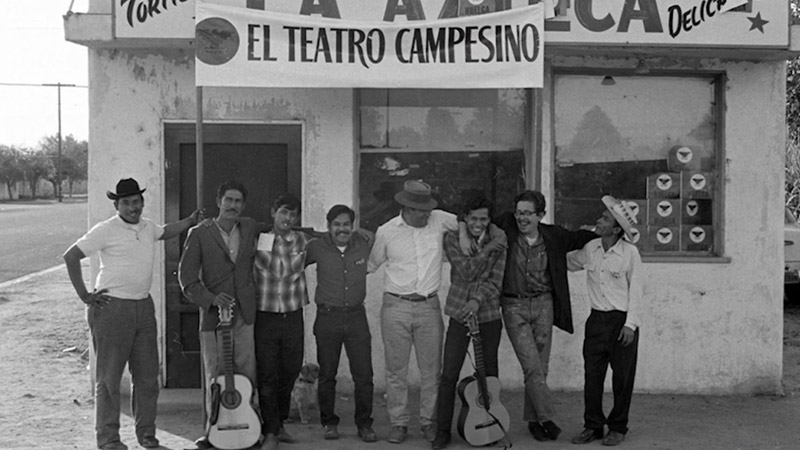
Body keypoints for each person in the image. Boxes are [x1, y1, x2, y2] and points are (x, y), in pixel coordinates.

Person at [63, 178, 201, 450]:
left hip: (143, 307)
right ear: (117, 205)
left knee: (148, 378)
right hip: (112, 308)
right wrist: (85, 296)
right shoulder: (105, 230)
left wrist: (190, 221)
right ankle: (108, 439)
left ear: (142, 202)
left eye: (136, 202)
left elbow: (165, 231)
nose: (132, 207)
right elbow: (71, 256)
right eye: (125, 203)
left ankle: (146, 434)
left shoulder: (148, 227)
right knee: (109, 379)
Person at [494, 190, 595, 442]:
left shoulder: (553, 236)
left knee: (540, 367)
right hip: (513, 305)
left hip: (544, 305)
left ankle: (534, 421)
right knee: (531, 366)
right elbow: (476, 218)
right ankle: (547, 417)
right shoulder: (506, 226)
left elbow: (582, 237)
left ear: (541, 215)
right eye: (519, 212)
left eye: (528, 213)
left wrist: (613, 235)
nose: (521, 218)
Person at [368, 179, 460, 444]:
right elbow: (372, 264)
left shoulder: (440, 220)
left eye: (428, 209)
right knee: (396, 371)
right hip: (395, 306)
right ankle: (398, 423)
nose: (426, 214)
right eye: (421, 211)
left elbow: (468, 224)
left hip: (429, 307)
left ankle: (429, 423)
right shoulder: (386, 231)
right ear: (406, 208)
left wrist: (463, 238)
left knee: (432, 371)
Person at [178, 180, 261, 450]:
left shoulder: (248, 228)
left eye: (238, 201)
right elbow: (187, 279)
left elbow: (287, 229)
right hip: (214, 318)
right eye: (228, 200)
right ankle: (211, 432)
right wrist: (211, 300)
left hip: (244, 314)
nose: (233, 206)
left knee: (247, 373)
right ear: (218, 201)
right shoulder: (199, 233)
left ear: (243, 206)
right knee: (215, 375)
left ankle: (252, 429)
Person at [432, 194, 507, 450]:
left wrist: (476, 299)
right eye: (473, 218)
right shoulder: (453, 238)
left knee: (489, 375)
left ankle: (490, 423)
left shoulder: (500, 240)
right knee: (449, 375)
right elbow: (464, 271)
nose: (478, 223)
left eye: (483, 219)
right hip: (458, 314)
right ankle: (442, 431)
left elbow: (495, 280)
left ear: (489, 220)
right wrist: (486, 251)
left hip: (488, 316)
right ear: (465, 219)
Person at [567, 196, 643, 447]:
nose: (599, 221)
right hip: (596, 320)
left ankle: (618, 427)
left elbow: (637, 290)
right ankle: (593, 426)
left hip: (621, 321)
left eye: (605, 219)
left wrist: (630, 324)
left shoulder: (630, 253)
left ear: (617, 228)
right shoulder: (591, 248)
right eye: (601, 217)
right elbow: (570, 263)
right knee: (592, 376)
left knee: (622, 378)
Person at [305, 204, 378, 443]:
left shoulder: (363, 245)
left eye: (346, 224)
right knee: (327, 374)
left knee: (364, 375)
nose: (342, 229)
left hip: (357, 317)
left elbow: (377, 238)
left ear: (352, 226)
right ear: (329, 227)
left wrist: (367, 231)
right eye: (337, 224)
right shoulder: (316, 247)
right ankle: (329, 422)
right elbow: (291, 263)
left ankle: (365, 424)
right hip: (328, 317)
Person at [254, 193, 312, 450]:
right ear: (273, 212)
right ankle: (270, 432)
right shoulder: (260, 240)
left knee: (290, 370)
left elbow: (329, 237)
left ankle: (279, 423)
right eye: (284, 212)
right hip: (265, 315)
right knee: (267, 374)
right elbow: (277, 270)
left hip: (292, 314)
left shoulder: (302, 239)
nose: (288, 219)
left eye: (293, 214)